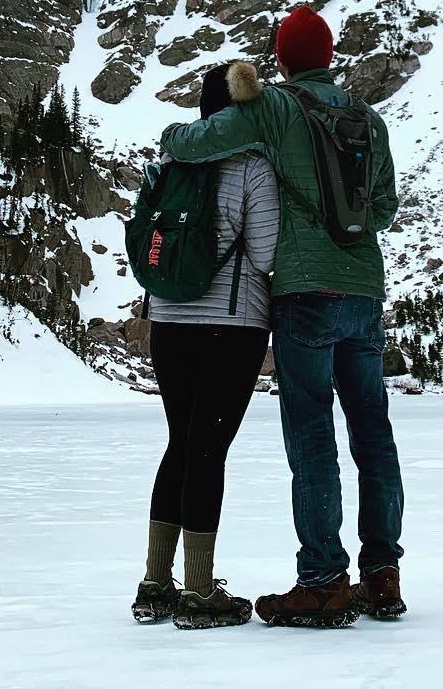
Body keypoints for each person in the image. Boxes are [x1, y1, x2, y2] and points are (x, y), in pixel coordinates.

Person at [159, 5, 406, 628]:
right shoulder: (367, 120)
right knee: (373, 436)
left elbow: (196, 139)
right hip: (364, 294)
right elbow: (384, 210)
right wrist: (346, 227)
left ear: (282, 59)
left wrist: (173, 142)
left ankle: (323, 581)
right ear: (329, 56)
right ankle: (382, 575)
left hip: (303, 294)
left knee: (312, 434)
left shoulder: (275, 107)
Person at [132, 61, 280, 631]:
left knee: (179, 442)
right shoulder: (251, 167)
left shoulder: (171, 163)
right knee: (208, 448)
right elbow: (265, 254)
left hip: (168, 321)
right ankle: (199, 590)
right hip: (231, 325)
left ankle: (154, 583)